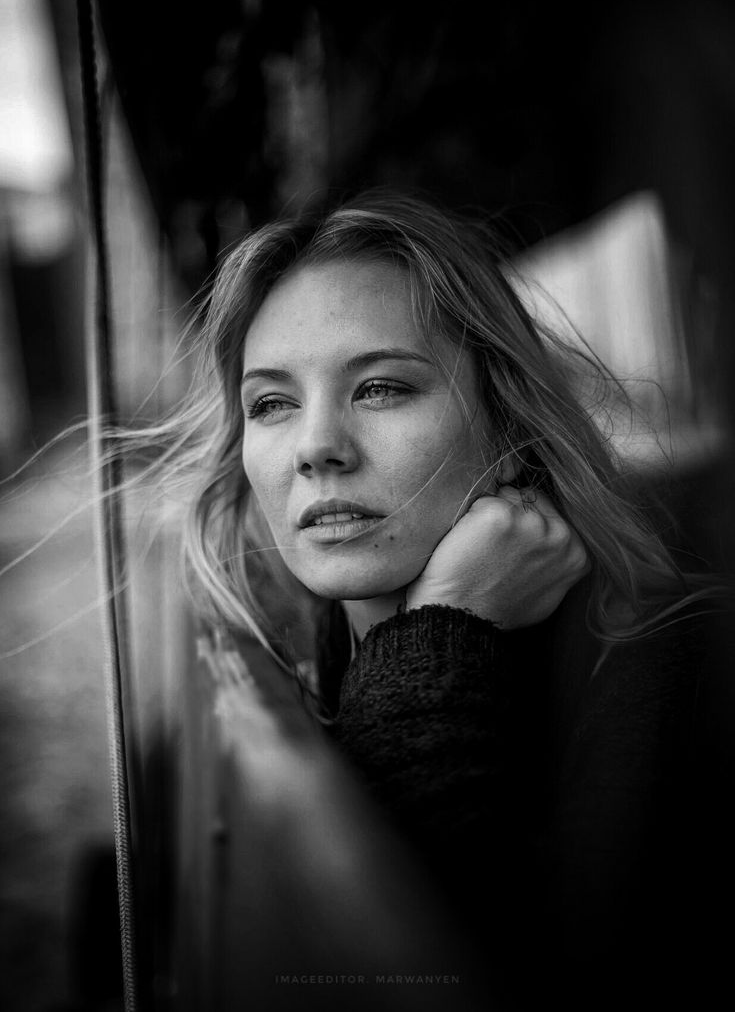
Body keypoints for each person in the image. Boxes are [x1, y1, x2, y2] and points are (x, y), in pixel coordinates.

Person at [134, 190, 729, 1010]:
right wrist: (443, 624)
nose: (316, 449)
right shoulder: (302, 644)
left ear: (504, 415)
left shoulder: (676, 673)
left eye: (379, 388)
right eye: (271, 403)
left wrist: (436, 637)